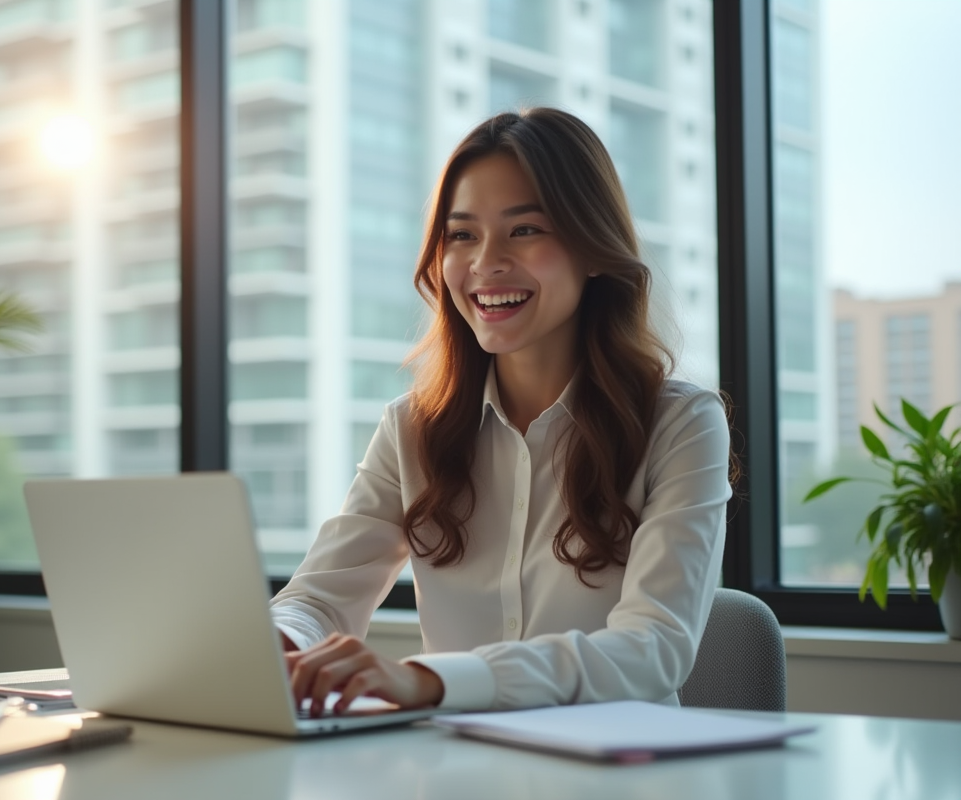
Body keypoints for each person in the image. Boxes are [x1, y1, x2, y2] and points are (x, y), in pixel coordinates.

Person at [271, 107, 733, 717]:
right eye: (461, 235)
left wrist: (431, 681)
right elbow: (320, 599)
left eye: (525, 230)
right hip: (453, 772)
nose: (485, 263)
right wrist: (279, 643)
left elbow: (651, 650)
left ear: (594, 248)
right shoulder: (412, 429)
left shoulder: (681, 425)